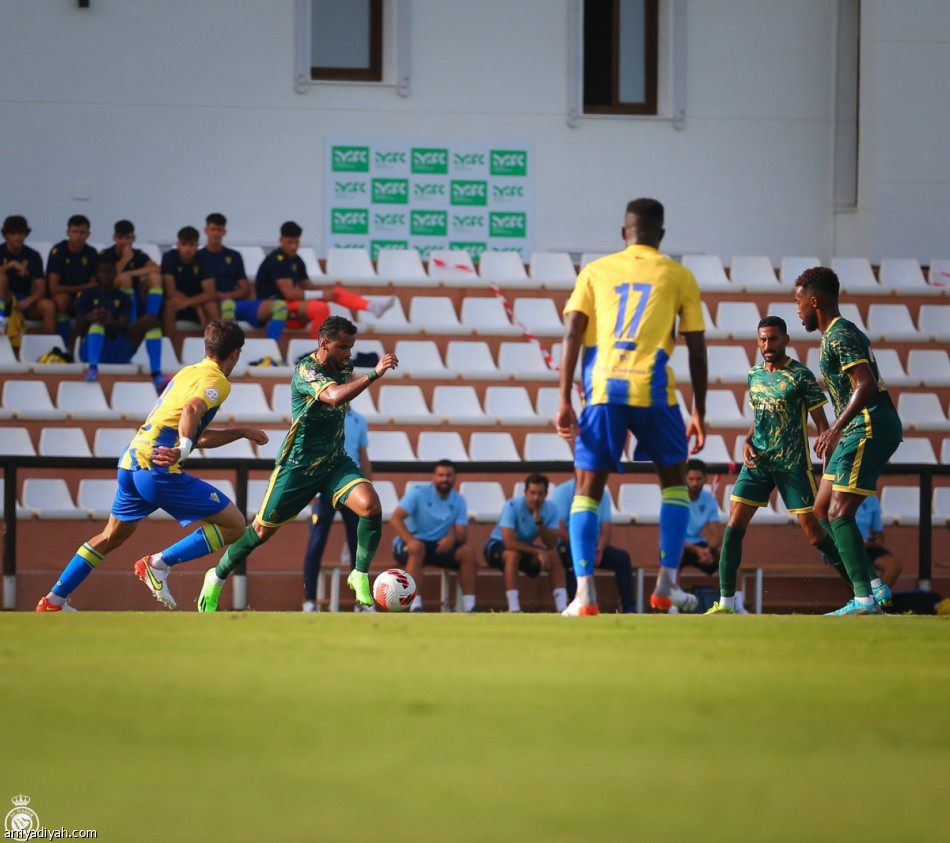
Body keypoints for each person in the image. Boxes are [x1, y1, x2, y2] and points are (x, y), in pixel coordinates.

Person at [36, 319, 268, 612]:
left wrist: (239, 432)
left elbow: (193, 431)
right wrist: (182, 449)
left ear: (206, 346)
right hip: (156, 469)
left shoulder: (186, 373)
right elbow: (192, 410)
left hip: (130, 464)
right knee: (234, 525)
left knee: (110, 536)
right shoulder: (218, 381)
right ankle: (157, 564)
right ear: (236, 353)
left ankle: (53, 601)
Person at [555, 197, 707, 616]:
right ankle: (666, 585)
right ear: (660, 235)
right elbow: (696, 349)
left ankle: (585, 593)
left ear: (624, 234)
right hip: (655, 390)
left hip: (603, 390)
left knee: (587, 491)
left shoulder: (595, 271)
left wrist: (565, 398)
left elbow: (571, 333)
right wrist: (700, 412)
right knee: (675, 483)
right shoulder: (679, 276)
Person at [197, 315, 399, 612]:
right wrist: (374, 374)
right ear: (323, 344)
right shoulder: (306, 370)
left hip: (334, 462)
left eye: (351, 347)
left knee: (371, 505)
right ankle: (215, 576)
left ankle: (359, 574)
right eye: (343, 347)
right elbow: (332, 397)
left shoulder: (346, 367)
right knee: (259, 532)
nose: (348, 354)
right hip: (298, 466)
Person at [705, 316, 849, 615]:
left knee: (813, 532)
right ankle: (726, 603)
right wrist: (746, 442)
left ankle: (862, 593)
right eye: (762, 339)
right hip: (758, 461)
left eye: (772, 339)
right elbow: (760, 416)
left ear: (786, 339)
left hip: (792, 464)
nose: (767, 345)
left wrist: (826, 458)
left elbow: (822, 425)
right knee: (733, 524)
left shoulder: (801, 376)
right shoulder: (754, 375)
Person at [794, 266, 904, 616]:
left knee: (840, 514)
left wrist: (833, 428)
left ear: (814, 301)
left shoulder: (839, 335)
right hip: (858, 427)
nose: (797, 310)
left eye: (798, 302)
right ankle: (874, 586)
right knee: (822, 510)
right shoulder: (838, 334)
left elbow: (866, 383)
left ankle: (864, 600)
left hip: (867, 425)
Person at [255, 221, 393, 338]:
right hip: (273, 306)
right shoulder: (275, 260)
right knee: (320, 308)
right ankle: (317, 355)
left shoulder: (296, 260)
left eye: (296, 242)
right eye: (289, 242)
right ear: (281, 241)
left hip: (291, 304)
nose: (293, 247)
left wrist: (327, 293)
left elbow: (307, 286)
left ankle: (372, 307)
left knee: (336, 292)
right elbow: (290, 294)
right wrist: (322, 295)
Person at [301, 404, 371, 612]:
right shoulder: (321, 414)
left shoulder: (359, 420)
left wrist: (367, 487)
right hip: (324, 489)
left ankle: (361, 602)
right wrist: (309, 487)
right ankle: (309, 601)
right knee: (315, 545)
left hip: (352, 489)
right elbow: (310, 451)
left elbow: (363, 456)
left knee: (359, 547)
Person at [390, 459, 479, 613]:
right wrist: (410, 540)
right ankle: (415, 605)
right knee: (417, 550)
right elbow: (395, 518)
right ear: (434, 477)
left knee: (468, 552)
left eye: (449, 475)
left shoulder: (459, 500)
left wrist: (453, 539)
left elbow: (462, 534)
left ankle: (470, 606)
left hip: (438, 545)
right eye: (441, 475)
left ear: (455, 477)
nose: (445, 479)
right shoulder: (418, 492)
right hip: (410, 542)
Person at [200, 212, 288, 349]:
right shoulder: (199, 257)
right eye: (213, 229)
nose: (216, 233)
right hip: (217, 305)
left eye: (219, 230)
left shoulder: (234, 256)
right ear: (206, 231)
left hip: (237, 303)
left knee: (280, 306)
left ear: (224, 232)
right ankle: (229, 351)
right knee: (227, 305)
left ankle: (271, 351)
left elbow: (245, 288)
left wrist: (226, 295)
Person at [484, 473, 568, 613]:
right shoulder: (512, 506)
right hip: (497, 546)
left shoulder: (551, 509)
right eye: (532, 493)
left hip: (525, 548)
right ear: (525, 493)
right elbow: (509, 542)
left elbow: (552, 543)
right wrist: (538, 551)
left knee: (553, 555)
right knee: (513, 555)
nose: (536, 498)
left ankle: (562, 608)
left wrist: (539, 523)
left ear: (546, 494)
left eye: (540, 493)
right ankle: (514, 608)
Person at [552, 477, 636, 613]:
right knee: (571, 557)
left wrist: (600, 548)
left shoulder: (603, 494)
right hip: (570, 543)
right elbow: (559, 529)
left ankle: (629, 607)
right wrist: (581, 548)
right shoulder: (563, 491)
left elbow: (606, 529)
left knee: (622, 558)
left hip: (594, 546)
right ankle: (577, 600)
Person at [74, 256, 163, 384]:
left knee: (151, 320)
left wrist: (110, 321)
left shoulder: (123, 297)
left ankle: (157, 376)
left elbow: (125, 326)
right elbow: (78, 325)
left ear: (115, 274)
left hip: (118, 349)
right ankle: (93, 369)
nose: (105, 275)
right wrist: (92, 316)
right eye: (102, 272)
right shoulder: (87, 294)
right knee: (97, 324)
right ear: (96, 274)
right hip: (91, 351)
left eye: (109, 272)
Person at [47, 214, 99, 348]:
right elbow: (54, 288)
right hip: (62, 296)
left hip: (82, 296)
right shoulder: (58, 251)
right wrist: (83, 288)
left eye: (82, 232)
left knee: (93, 300)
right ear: (68, 233)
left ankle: (87, 347)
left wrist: (83, 295)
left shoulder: (92, 253)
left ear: (88, 234)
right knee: (62, 299)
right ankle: (63, 347)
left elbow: (94, 284)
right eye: (75, 232)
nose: (78, 236)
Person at [0, 214, 55, 338]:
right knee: (1, 277)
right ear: (6, 235)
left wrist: (28, 301)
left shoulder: (33, 256)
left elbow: (41, 288)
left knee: (49, 306)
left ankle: (49, 348)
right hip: (6, 299)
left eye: (21, 233)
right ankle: (0, 320)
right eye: (13, 234)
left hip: (26, 300)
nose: (18, 237)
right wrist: (11, 265)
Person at [161, 225, 218, 340]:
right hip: (181, 302)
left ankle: (216, 352)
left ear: (197, 245)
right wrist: (197, 308)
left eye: (191, 245)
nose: (187, 249)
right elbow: (170, 291)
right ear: (178, 245)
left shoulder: (203, 259)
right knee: (170, 305)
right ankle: (170, 354)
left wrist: (189, 302)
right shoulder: (169, 257)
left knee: (212, 306)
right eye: (184, 244)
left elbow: (210, 293)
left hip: (196, 301)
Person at [679, 459, 723, 577]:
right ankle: (671, 594)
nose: (695, 483)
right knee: (674, 551)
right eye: (691, 479)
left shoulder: (709, 499)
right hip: (680, 545)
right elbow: (672, 537)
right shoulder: (677, 499)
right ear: (685, 479)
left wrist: (708, 551)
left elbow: (716, 535)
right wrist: (696, 550)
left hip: (701, 547)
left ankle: (735, 595)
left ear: (705, 479)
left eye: (698, 479)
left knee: (728, 553)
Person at [855, 493, 902, 588]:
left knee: (894, 565)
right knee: (856, 568)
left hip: (865, 547)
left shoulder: (871, 497)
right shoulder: (839, 492)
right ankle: (865, 599)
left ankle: (874, 600)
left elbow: (878, 531)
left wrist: (877, 540)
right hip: (841, 546)